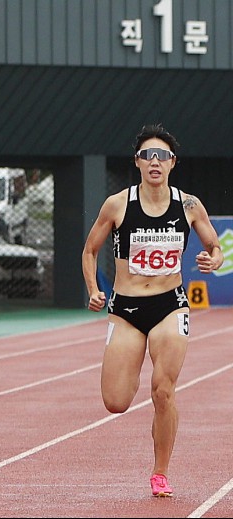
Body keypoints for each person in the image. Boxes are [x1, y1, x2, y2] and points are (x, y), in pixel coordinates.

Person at [82, 123, 223, 498]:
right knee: (116, 402)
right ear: (138, 163)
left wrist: (214, 258)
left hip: (169, 305)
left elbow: (215, 244)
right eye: (148, 155)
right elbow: (89, 250)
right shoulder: (117, 204)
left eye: (162, 155)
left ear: (172, 163)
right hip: (126, 308)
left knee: (163, 389)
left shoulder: (189, 205)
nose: (155, 161)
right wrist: (95, 289)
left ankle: (160, 473)